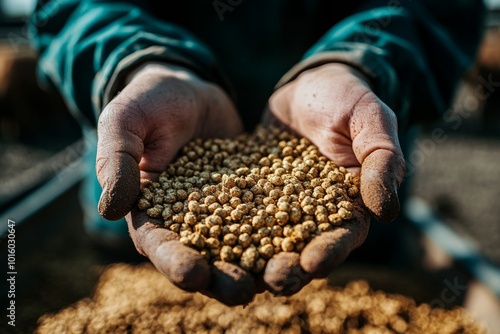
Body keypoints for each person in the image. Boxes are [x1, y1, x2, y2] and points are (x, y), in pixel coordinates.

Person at [29, 0, 485, 305]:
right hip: (150, 177)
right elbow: (66, 9)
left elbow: (443, 9)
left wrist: (357, 61)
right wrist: (138, 62)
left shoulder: (318, 192)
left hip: (350, 189)